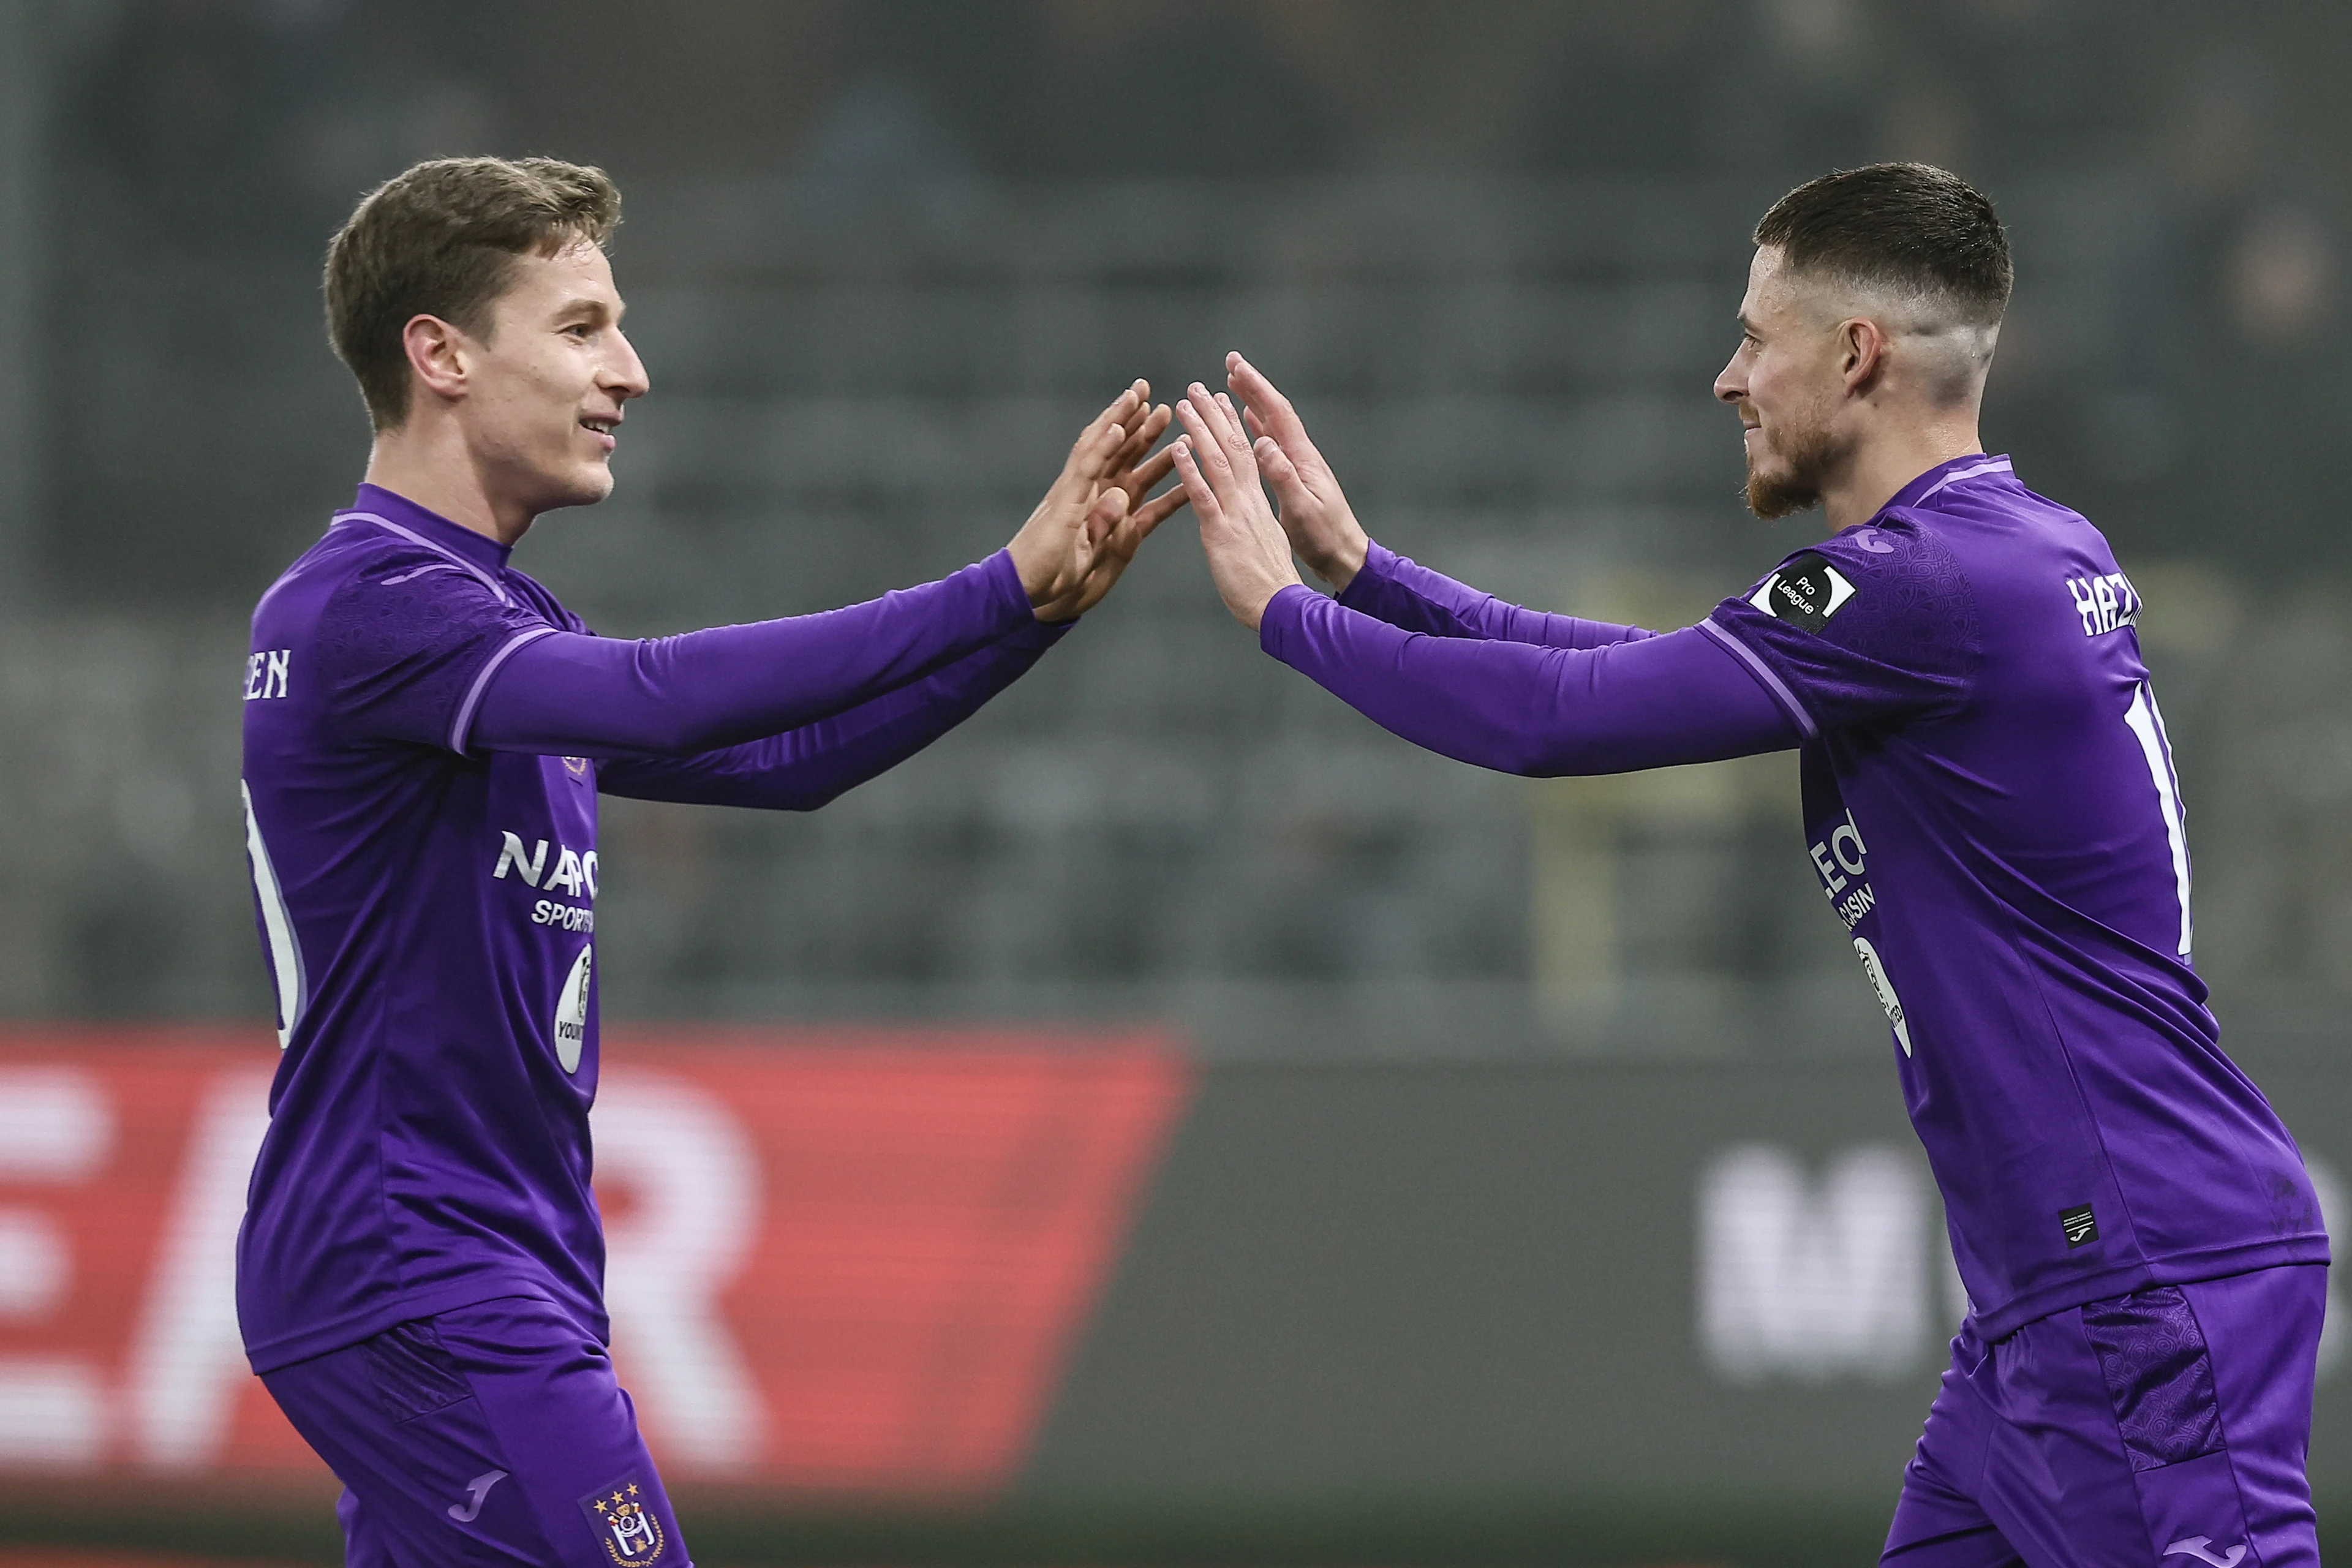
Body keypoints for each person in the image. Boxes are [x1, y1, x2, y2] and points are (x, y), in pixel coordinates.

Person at [1172, 162, 2328, 1567]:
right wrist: (1369, 575)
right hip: (2066, 1287)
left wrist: (1284, 617)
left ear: (1856, 355)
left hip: (2135, 1276)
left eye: (1754, 337)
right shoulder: (2001, 551)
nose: (1728, 379)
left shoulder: (1925, 587)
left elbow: (1560, 725)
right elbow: (1638, 675)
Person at [237, 155, 1181, 1568]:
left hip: (481, 1260)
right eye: (580, 327)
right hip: (419, 1262)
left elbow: (780, 767)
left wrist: (1031, 614)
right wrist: (988, 582)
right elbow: (670, 695)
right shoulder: (368, 607)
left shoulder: (480, 620)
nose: (630, 370)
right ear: (438, 354)